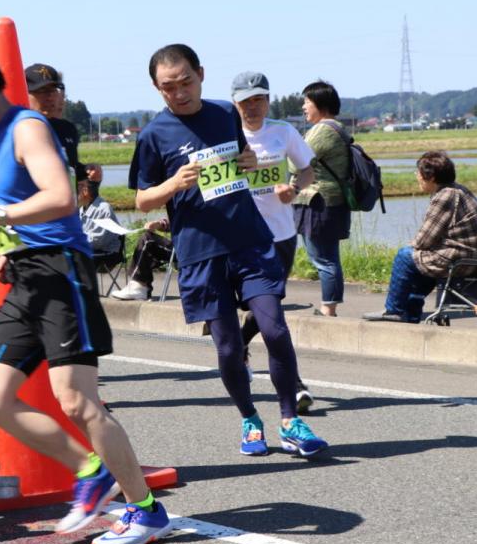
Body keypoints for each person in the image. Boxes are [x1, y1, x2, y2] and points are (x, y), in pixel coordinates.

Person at [0, 43, 170, 544]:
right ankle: (89, 471)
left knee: (78, 402)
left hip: (61, 274)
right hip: (24, 278)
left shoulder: (26, 128)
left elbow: (60, 197)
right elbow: (26, 208)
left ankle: (146, 511)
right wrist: (6, 249)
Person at [129, 43, 327, 459]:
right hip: (200, 252)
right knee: (228, 348)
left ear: (200, 74)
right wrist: (173, 185)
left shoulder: (224, 113)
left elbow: (244, 156)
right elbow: (142, 200)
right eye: (169, 87)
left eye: (186, 81)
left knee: (274, 329)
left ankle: (291, 420)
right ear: (156, 88)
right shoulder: (152, 135)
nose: (180, 92)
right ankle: (250, 418)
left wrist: (251, 162)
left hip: (249, 240)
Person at [230, 71, 318, 412]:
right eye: (245, 101)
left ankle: (289, 381)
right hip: (238, 238)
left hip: (280, 235)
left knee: (271, 309)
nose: (252, 107)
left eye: (259, 100)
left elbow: (307, 168)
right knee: (266, 311)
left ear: (268, 101)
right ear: (234, 103)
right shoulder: (226, 135)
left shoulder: (283, 131)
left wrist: (293, 188)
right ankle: (289, 381)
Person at [363, 152, 477, 323]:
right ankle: (411, 313)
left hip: (460, 260)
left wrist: (412, 247)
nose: (417, 176)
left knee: (404, 256)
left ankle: (393, 309)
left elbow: (423, 240)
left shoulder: (445, 196)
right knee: (419, 260)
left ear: (431, 177)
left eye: (419, 173)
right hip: (468, 256)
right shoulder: (457, 190)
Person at [294, 81, 353, 317]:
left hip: (320, 202)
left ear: (320, 103)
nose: (303, 106)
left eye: (307, 101)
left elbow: (296, 161)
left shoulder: (323, 129)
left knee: (323, 258)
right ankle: (329, 306)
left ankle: (328, 309)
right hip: (330, 201)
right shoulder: (336, 128)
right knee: (327, 257)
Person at [25, 63, 87, 182]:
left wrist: (85, 170)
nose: (50, 97)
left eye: (53, 90)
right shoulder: (16, 131)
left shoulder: (67, 129)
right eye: (42, 91)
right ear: (25, 93)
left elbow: (70, 167)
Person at [110, 218, 174, 300]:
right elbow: (178, 221)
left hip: (186, 251)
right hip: (181, 246)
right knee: (147, 238)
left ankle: (139, 287)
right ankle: (139, 286)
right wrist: (159, 224)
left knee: (147, 239)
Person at [77, 178, 124, 273]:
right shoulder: (82, 208)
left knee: (75, 258)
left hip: (108, 253)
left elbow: (97, 242)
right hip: (92, 250)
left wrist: (75, 242)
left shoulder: (103, 208)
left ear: (85, 191)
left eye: (77, 189)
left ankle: (83, 287)